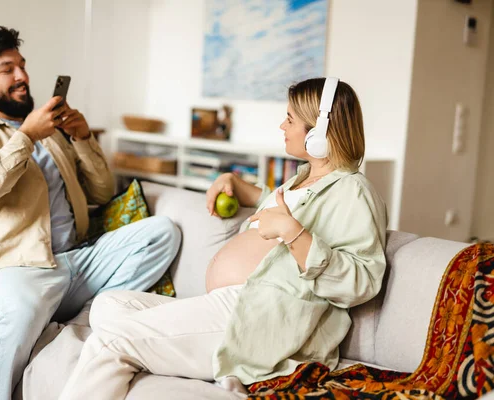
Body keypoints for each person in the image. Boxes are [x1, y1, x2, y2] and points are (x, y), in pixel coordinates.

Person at [59, 77, 388, 399]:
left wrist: (296, 235)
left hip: (259, 318)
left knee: (112, 339)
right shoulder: (302, 180)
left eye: (290, 119)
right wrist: (233, 180)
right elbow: (272, 207)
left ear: (318, 133)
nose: (281, 127)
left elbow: (361, 282)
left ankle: (145, 352)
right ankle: (174, 356)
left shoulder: (353, 191)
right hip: (232, 303)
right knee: (108, 304)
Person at [0, 26, 181, 400]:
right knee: (19, 310)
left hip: (74, 264)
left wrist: (83, 138)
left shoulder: (52, 135)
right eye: (8, 69)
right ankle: (49, 317)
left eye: (22, 66)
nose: (22, 76)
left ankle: (77, 313)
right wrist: (27, 137)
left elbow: (102, 191)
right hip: (10, 272)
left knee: (162, 232)